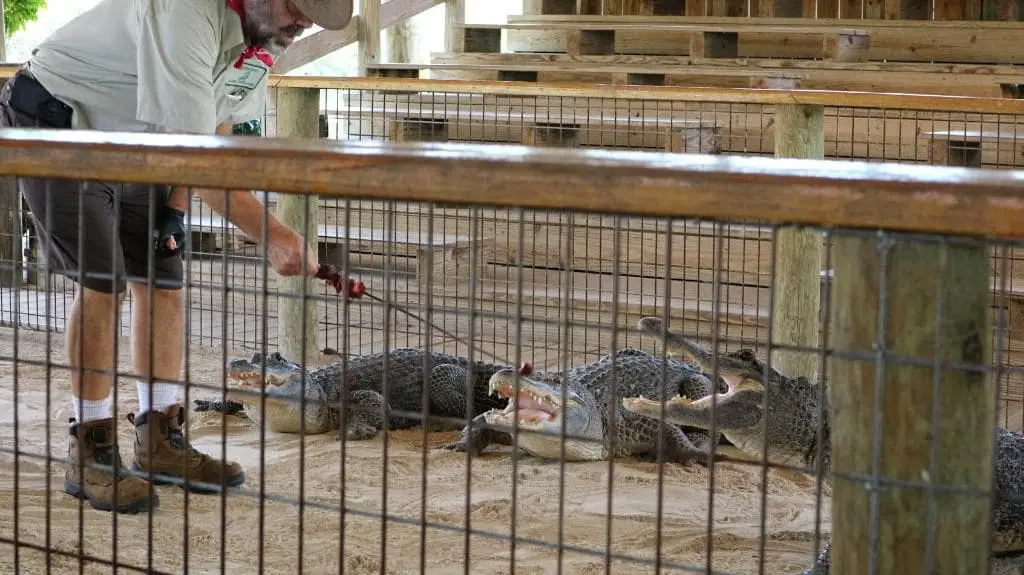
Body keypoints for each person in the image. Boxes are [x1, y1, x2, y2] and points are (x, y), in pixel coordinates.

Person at [0, 0, 353, 514]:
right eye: (294, 6)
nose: (304, 22)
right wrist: (273, 234)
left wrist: (175, 210)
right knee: (103, 282)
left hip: (138, 139)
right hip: (58, 122)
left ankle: (160, 439)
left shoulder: (262, 36)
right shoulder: (184, 11)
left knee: (164, 278)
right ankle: (91, 449)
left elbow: (218, 132)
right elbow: (194, 149)